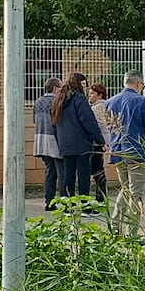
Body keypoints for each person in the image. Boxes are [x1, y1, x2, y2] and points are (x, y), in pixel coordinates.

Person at [106, 70, 145, 236]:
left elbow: (110, 127)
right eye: (142, 85)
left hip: (118, 151)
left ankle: (115, 227)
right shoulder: (142, 101)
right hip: (137, 151)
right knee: (136, 194)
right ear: (138, 83)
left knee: (125, 189)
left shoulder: (110, 102)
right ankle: (131, 233)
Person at [50, 73, 104, 212]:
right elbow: (89, 122)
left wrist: (59, 141)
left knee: (68, 176)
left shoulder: (59, 100)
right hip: (82, 144)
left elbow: (54, 124)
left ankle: (68, 207)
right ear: (78, 84)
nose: (85, 88)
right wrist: (100, 140)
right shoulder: (79, 99)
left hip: (65, 144)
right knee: (83, 176)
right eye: (84, 84)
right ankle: (86, 207)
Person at [34, 78, 64, 211]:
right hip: (55, 139)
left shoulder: (38, 101)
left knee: (49, 172)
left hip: (41, 140)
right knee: (62, 172)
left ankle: (49, 202)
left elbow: (34, 120)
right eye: (61, 87)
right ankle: (66, 203)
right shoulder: (57, 101)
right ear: (55, 88)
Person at [88, 83, 110, 204]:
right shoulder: (108, 105)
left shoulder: (97, 108)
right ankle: (101, 195)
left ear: (99, 95)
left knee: (97, 169)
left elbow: (96, 126)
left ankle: (101, 195)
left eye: (92, 93)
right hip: (103, 141)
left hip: (97, 141)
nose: (89, 96)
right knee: (98, 167)